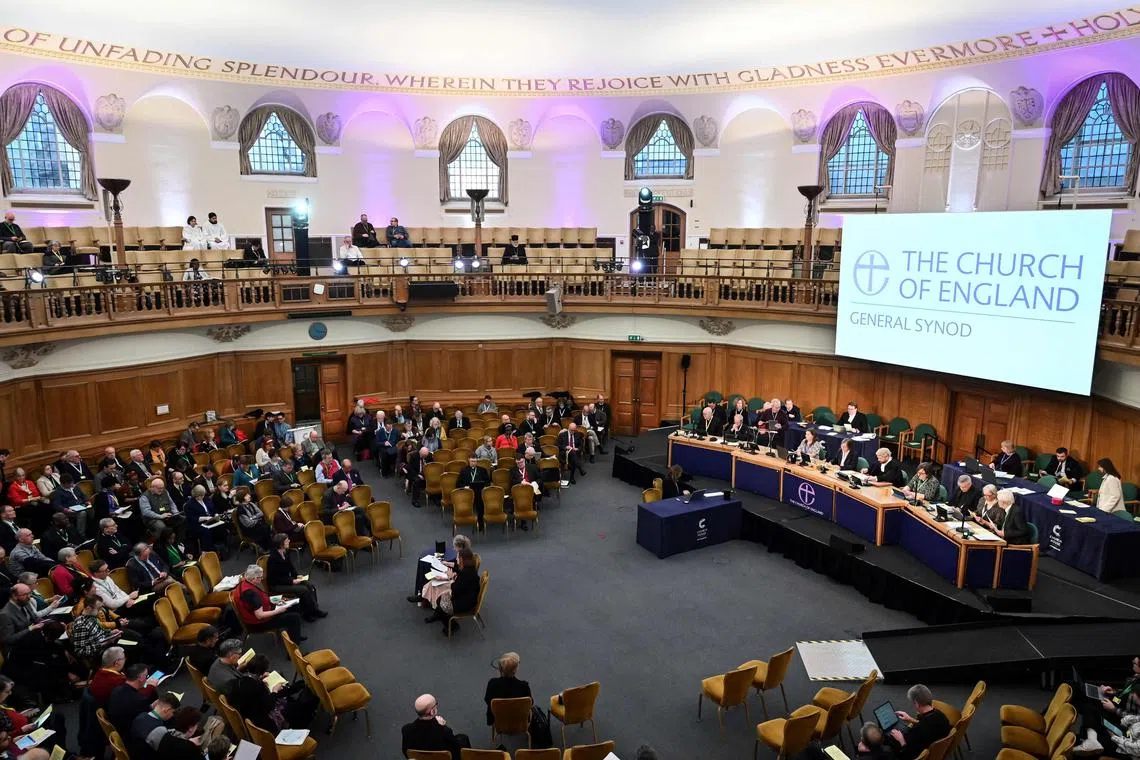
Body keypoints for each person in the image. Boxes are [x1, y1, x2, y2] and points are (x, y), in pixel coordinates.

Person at [232, 564, 305, 642]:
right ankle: (294, 644)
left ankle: (294, 634)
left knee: (294, 605)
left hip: (256, 615)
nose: (262, 579)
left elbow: (260, 600)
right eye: (260, 577)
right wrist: (278, 611)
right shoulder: (251, 594)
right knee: (295, 618)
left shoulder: (244, 583)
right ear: (254, 578)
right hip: (259, 624)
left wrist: (277, 599)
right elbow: (260, 615)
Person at [266, 534, 326, 621]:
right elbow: (274, 579)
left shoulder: (285, 552)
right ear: (281, 544)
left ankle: (314, 609)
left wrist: (297, 576)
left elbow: (291, 568)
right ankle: (307, 613)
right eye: (287, 540)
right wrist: (292, 581)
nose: (289, 541)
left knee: (309, 585)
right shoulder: (273, 559)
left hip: (287, 580)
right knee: (303, 590)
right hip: (277, 585)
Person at [885, 684, 951, 760]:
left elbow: (908, 754)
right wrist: (911, 719)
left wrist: (901, 739)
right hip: (937, 751)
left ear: (917, 704)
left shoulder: (918, 731)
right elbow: (927, 725)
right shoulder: (941, 715)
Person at [401, 693, 471, 759]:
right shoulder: (444, 731)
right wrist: (442, 727)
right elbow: (456, 752)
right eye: (436, 704)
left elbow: (406, 752)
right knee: (462, 738)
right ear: (432, 711)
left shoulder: (406, 730)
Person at [106, 663, 161, 734]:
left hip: (117, 725)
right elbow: (148, 716)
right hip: (129, 733)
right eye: (147, 676)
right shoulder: (139, 700)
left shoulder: (117, 688)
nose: (147, 678)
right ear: (141, 678)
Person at [484, 651, 532, 726]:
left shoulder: (492, 684)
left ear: (500, 668)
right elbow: (530, 703)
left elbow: (487, 700)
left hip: (497, 721)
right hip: (519, 721)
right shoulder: (524, 686)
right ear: (515, 670)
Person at [129, 691, 180, 760]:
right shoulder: (159, 730)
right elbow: (169, 752)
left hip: (135, 752)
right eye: (173, 712)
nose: (173, 715)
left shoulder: (141, 715)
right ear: (167, 710)